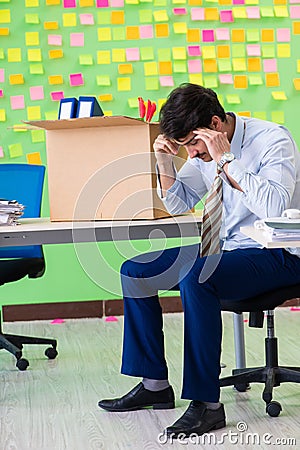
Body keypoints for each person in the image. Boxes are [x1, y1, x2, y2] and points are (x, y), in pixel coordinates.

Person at [98, 83, 300, 439]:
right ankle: (155, 385)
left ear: (215, 124)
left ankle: (207, 405)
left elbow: (274, 208)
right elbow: (178, 205)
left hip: (279, 253)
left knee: (197, 275)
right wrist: (165, 164)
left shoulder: (273, 141)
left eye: (193, 143)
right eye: (186, 146)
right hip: (228, 250)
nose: (191, 153)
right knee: (136, 272)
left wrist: (225, 160)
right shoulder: (199, 153)